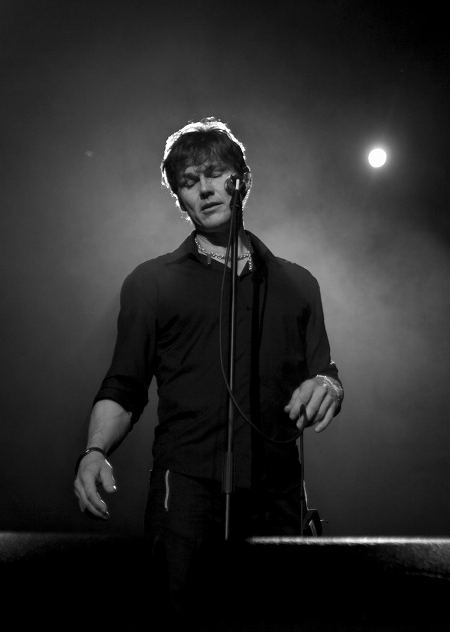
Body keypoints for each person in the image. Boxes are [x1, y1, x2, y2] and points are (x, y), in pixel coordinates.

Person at [74, 117, 343, 625]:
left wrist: (328, 385)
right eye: (189, 181)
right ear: (180, 198)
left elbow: (323, 369)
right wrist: (94, 451)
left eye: (215, 174)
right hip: (187, 488)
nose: (204, 189)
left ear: (242, 179)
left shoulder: (297, 284)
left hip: (277, 492)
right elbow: (125, 383)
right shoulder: (152, 283)